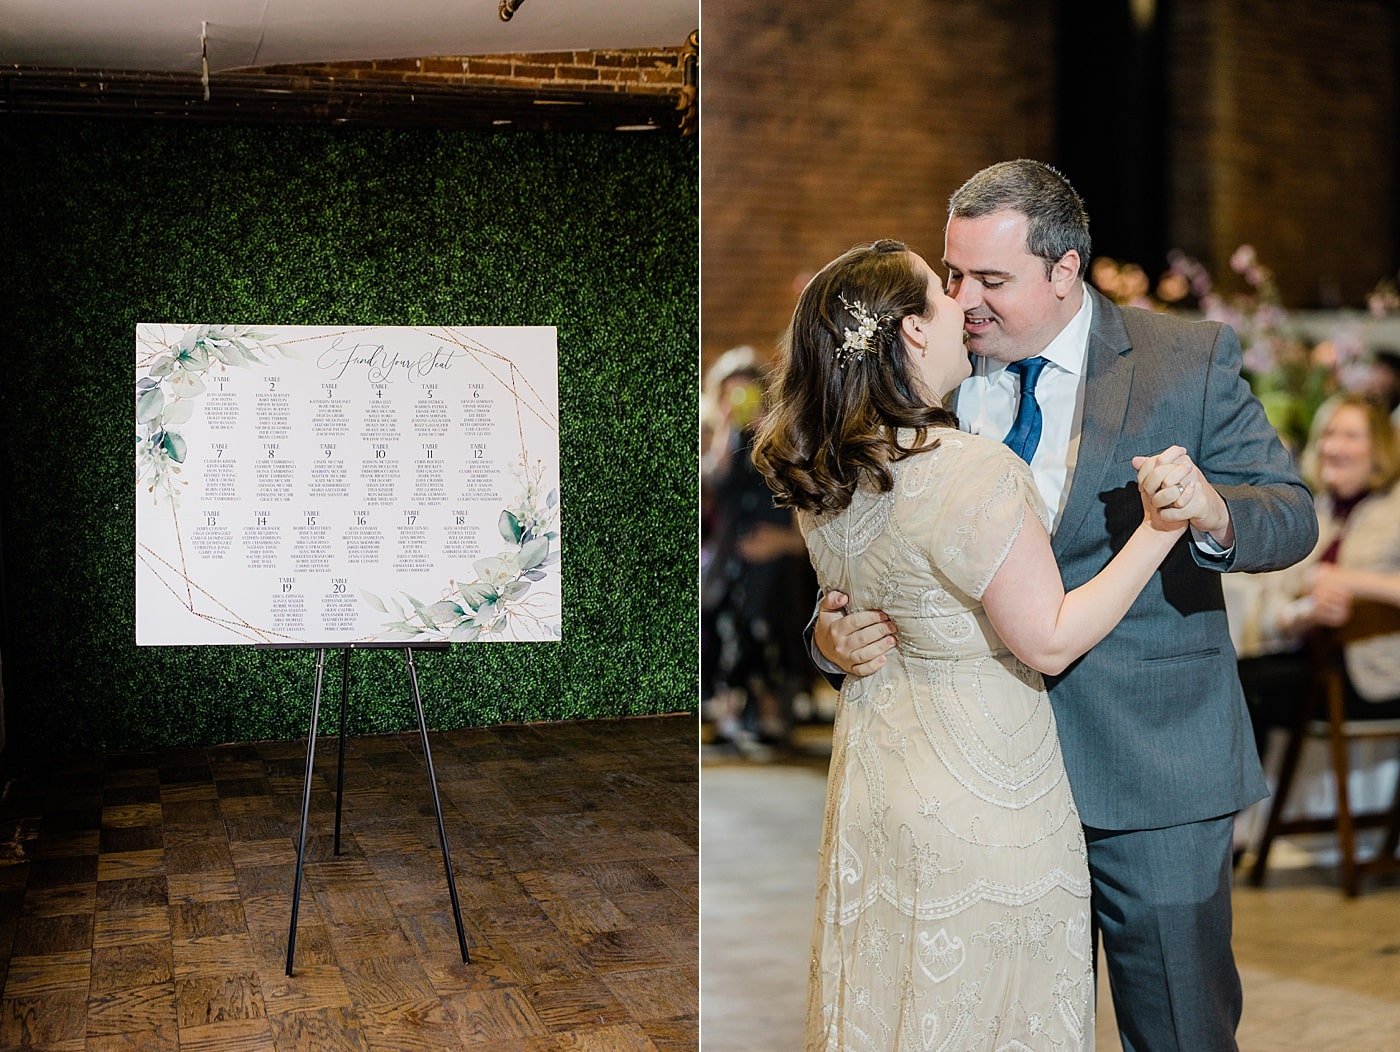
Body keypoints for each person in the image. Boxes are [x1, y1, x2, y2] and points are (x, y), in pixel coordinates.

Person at [811, 161, 1318, 1050]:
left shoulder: (1185, 358)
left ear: (1065, 271)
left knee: (1179, 1032)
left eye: (992, 281)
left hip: (1150, 770)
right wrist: (826, 634)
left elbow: (1292, 510)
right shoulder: (929, 372)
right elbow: (870, 548)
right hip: (983, 801)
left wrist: (1212, 512)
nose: (966, 301)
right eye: (954, 274)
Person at [753, 238, 1190, 1050]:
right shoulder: (970, 470)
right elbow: (1050, 640)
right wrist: (1161, 530)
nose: (964, 303)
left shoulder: (828, 473)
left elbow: (858, 592)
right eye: (943, 290)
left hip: (876, 785)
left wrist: (827, 630)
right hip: (985, 800)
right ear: (913, 332)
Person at [1253, 393, 1400, 719]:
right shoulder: (1313, 510)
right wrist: (1302, 613)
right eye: (1328, 434)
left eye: (1350, 436)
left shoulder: (1395, 507)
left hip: (1379, 673)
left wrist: (1348, 581)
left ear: (1379, 447)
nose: (1332, 447)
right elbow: (1269, 606)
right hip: (1312, 664)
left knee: (1246, 692)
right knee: (1234, 679)